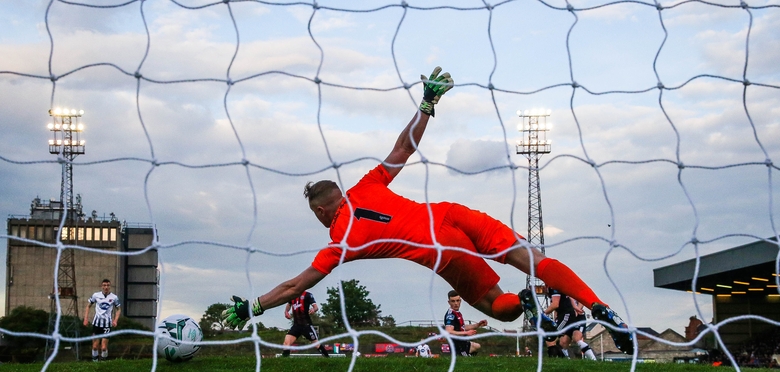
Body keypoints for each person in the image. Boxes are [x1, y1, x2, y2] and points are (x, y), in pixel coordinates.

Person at [222, 66, 633, 355]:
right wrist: (427, 100)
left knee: (494, 305)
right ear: (342, 195)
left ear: (322, 212)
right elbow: (405, 147)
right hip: (451, 214)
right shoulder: (367, 184)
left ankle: (524, 301)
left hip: (442, 251)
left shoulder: (339, 241)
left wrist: (252, 307)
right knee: (531, 257)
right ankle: (598, 306)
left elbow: (295, 287)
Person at [543, 288, 597, 360]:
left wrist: (577, 309)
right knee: (563, 342)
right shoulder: (557, 292)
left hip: (577, 318)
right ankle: (566, 359)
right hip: (568, 316)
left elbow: (581, 300)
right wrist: (556, 316)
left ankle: (593, 358)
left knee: (576, 338)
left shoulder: (572, 288)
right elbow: (557, 306)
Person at [82, 279, 120, 362]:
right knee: (95, 346)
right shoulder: (96, 295)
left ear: (110, 286)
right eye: (104, 285)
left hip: (107, 324)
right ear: (102, 286)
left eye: (108, 285)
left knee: (103, 347)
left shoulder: (114, 297)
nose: (106, 287)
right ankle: (94, 363)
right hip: (96, 323)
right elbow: (88, 306)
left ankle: (103, 362)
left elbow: (118, 309)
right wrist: (86, 318)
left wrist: (115, 320)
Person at [281, 291, 328, 358]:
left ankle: (327, 358)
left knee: (316, 344)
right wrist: (286, 311)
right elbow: (289, 304)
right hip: (296, 325)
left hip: (306, 325)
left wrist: (313, 310)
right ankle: (284, 361)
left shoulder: (308, 295)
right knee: (286, 343)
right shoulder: (292, 295)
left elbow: (316, 307)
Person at [443, 290, 487, 356]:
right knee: (467, 363)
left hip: (463, 342)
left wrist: (478, 325)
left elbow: (462, 327)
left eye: (457, 300)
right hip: (457, 345)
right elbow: (449, 331)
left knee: (477, 346)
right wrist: (466, 333)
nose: (456, 303)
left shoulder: (457, 313)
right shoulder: (450, 315)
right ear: (449, 302)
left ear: (460, 301)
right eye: (453, 301)